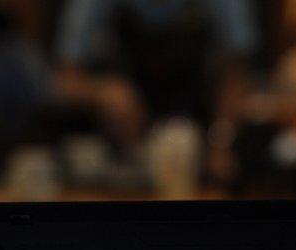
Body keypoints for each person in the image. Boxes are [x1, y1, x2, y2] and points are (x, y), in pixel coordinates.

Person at [54, 0, 258, 145]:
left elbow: (237, 74)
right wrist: (101, 93)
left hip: (197, 134)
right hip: (120, 144)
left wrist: (222, 139)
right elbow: (63, 83)